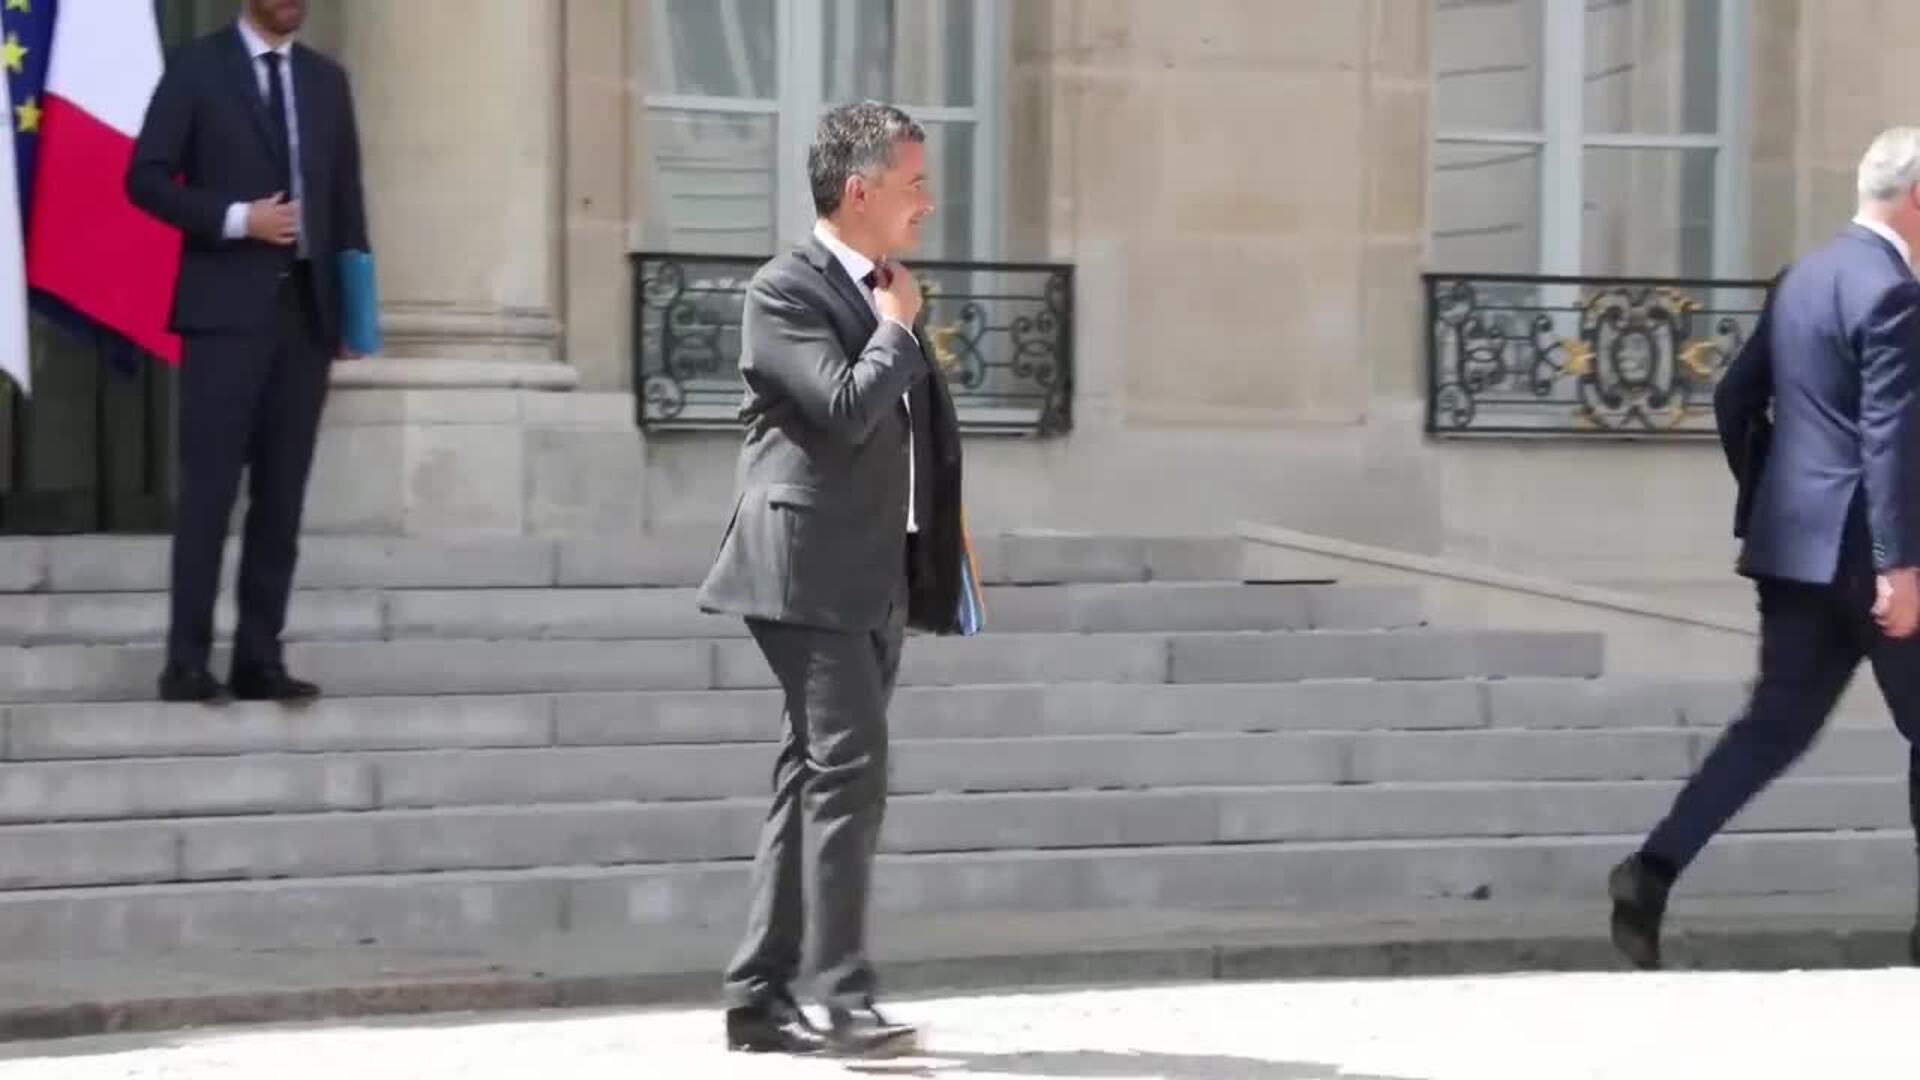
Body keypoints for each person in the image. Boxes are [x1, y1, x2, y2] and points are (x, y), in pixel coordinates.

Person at [1609, 126, 1920, 970]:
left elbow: (1734, 400)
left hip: (1793, 554)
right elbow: (1889, 438)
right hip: (1872, 560)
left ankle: (1651, 870)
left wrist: (1774, 500)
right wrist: (1896, 564)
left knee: (1774, 725)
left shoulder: (1802, 278)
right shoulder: (1893, 293)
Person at [695, 100, 967, 1058]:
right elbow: (847, 410)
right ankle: (845, 999)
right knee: (850, 775)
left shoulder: (888, 289)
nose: (926, 203)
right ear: (859, 191)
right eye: (913, 185)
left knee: (810, 778)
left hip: (875, 570)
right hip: (804, 570)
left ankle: (759, 998)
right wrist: (897, 331)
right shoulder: (786, 290)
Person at [126, 0, 368, 704]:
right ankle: (186, 663)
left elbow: (346, 200)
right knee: (209, 495)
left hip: (306, 320)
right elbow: (144, 179)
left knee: (281, 498)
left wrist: (354, 315)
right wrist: (237, 219)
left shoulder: (327, 81)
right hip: (223, 317)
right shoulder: (196, 69)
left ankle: (260, 658)